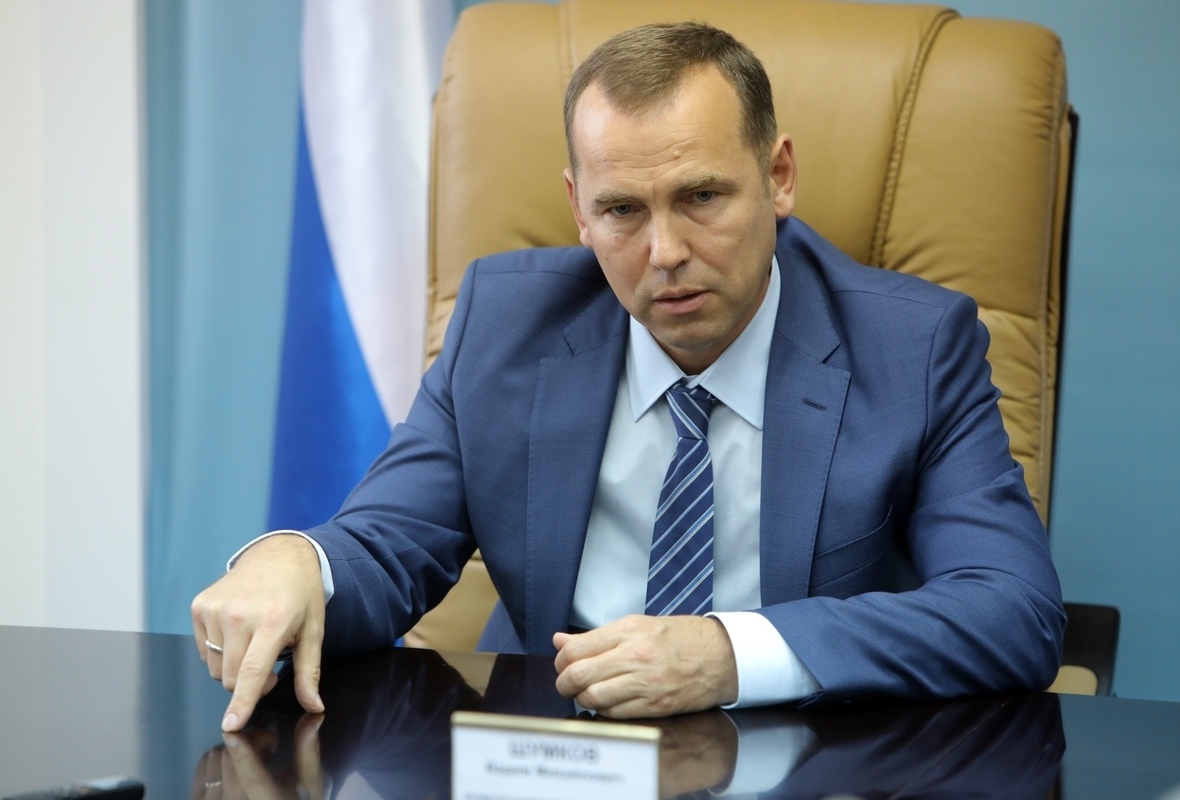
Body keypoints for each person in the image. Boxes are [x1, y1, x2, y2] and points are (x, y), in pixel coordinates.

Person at [192, 21, 1065, 734]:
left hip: (805, 757)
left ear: (778, 177)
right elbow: (388, 543)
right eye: (621, 210)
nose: (665, 252)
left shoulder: (914, 347)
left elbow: (1012, 610)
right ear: (579, 210)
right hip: (551, 756)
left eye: (701, 197)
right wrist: (299, 561)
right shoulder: (505, 324)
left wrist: (729, 653)